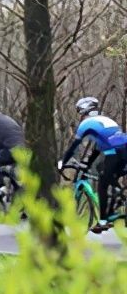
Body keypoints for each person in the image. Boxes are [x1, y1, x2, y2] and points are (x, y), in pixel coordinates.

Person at [58, 96, 127, 230]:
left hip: (113, 153)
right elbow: (98, 147)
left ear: (84, 111)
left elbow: (74, 148)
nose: (80, 116)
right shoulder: (106, 120)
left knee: (102, 184)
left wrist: (63, 162)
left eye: (80, 112)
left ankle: (103, 222)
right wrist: (87, 164)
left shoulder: (85, 125)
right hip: (123, 150)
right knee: (109, 177)